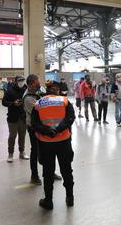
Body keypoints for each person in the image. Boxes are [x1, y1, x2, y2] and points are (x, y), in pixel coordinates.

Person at [31, 80, 75, 210]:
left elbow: (34, 123)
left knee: (48, 172)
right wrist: (58, 129)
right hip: (63, 142)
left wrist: (47, 131)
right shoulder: (64, 101)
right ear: (57, 90)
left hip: (46, 143)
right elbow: (70, 118)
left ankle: (48, 201)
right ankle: (70, 198)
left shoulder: (38, 104)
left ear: (47, 90)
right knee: (66, 170)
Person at [23, 74, 62, 185]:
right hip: (34, 128)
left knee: (49, 151)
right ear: (31, 84)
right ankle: (34, 176)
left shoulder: (39, 90)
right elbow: (41, 112)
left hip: (45, 126)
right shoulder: (28, 98)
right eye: (37, 82)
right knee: (35, 151)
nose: (39, 83)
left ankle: (50, 173)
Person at [2, 75, 29, 163]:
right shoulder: (10, 90)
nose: (21, 82)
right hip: (13, 117)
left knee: (22, 136)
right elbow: (4, 102)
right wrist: (13, 103)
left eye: (22, 80)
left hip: (23, 117)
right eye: (19, 80)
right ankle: (10, 154)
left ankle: (22, 152)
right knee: (12, 136)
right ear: (16, 81)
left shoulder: (26, 90)